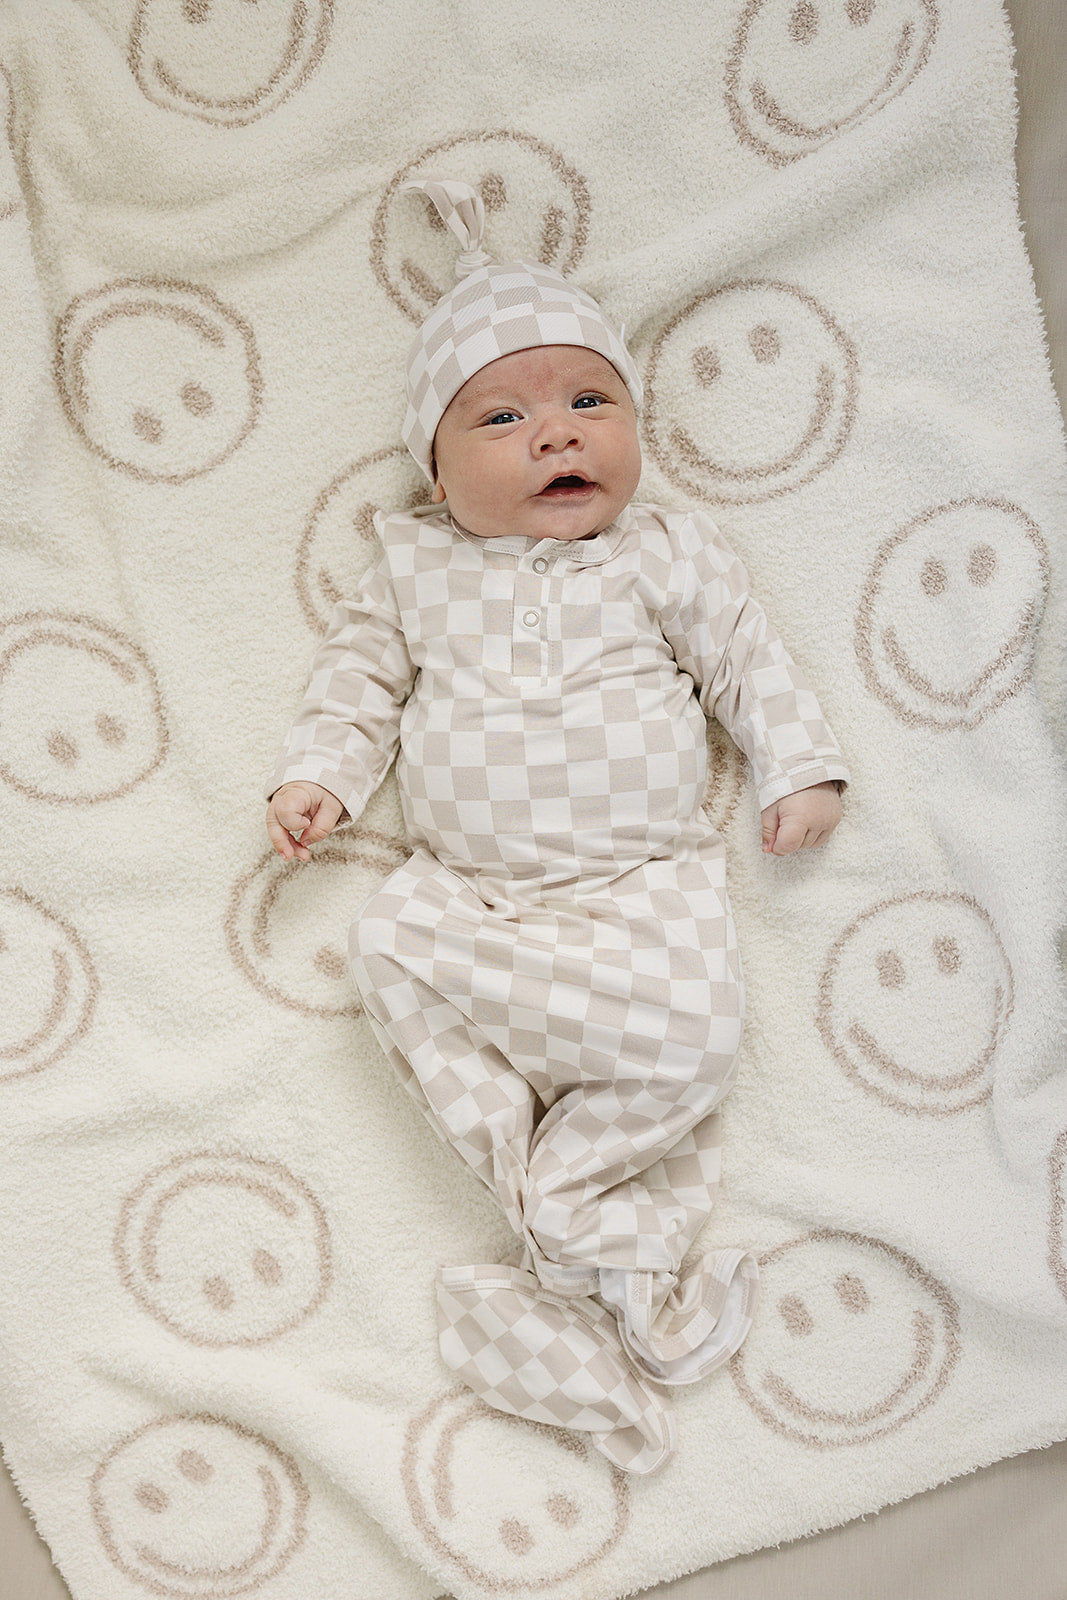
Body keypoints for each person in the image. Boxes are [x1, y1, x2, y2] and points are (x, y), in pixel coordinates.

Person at [265, 179, 848, 1473]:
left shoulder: (666, 555)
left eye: (592, 401)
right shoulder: (414, 568)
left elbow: (749, 662)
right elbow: (356, 685)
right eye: (504, 416)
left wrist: (793, 768)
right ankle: (582, 1229)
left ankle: (569, 1217)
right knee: (383, 949)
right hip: (467, 898)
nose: (555, 436)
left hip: (646, 891)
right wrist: (322, 779)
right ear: (435, 464)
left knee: (698, 1039)